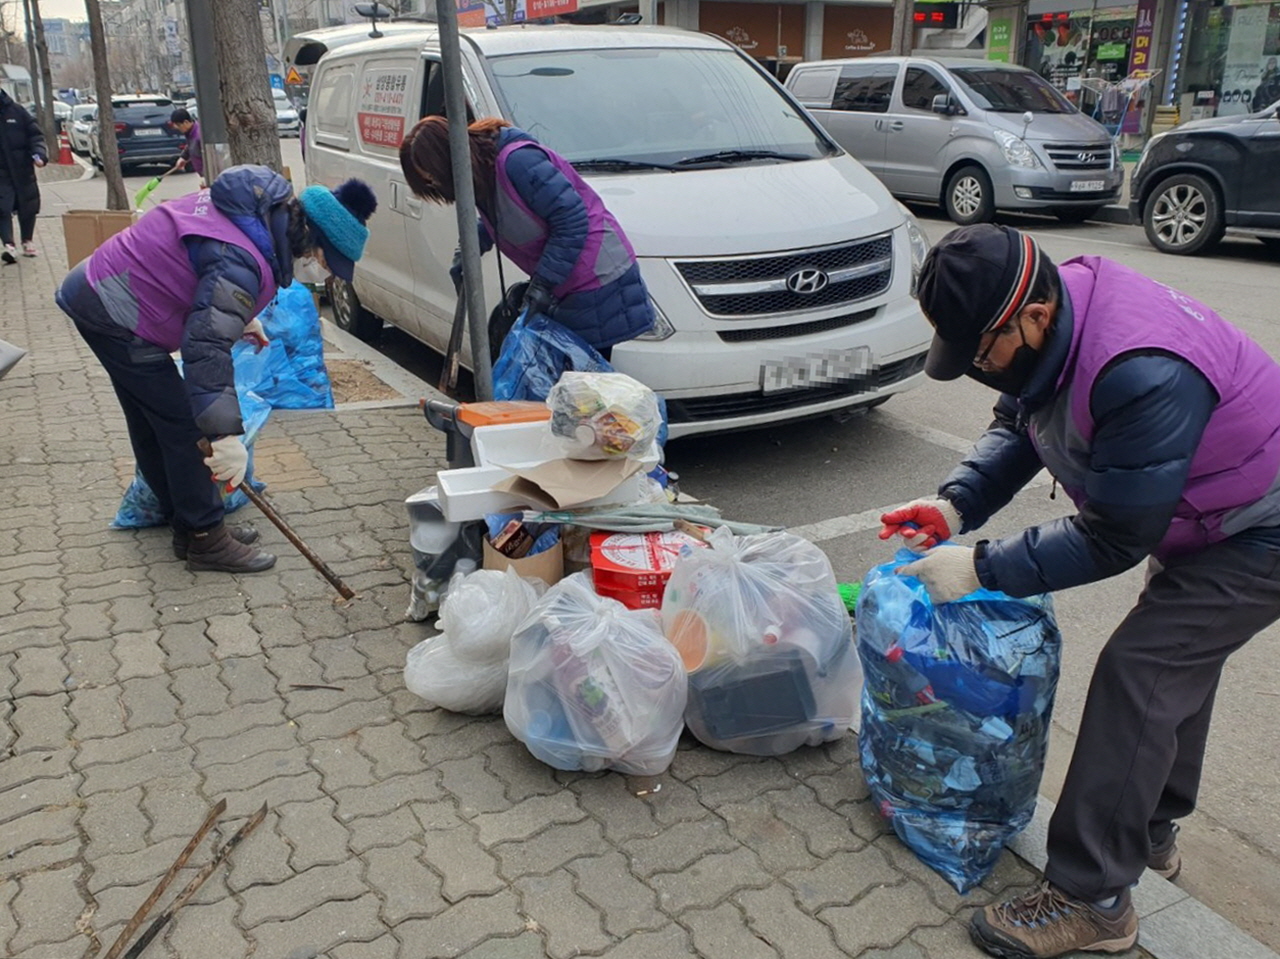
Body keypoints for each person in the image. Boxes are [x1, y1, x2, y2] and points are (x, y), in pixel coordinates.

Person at [879, 223, 1280, 959]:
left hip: (1261, 526)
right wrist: (956, 505)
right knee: (1174, 669)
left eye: (982, 353)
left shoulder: (1141, 369)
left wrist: (980, 568)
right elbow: (1022, 423)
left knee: (1143, 671)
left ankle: (1092, 898)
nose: (978, 370)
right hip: (1205, 512)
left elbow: (1113, 537)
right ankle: (1148, 830)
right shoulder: (1059, 319)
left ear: (1033, 316)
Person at [55, 165, 377, 573]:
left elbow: (206, 276)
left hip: (102, 293)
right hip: (115, 312)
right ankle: (206, 539)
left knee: (155, 421)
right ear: (311, 240)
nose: (324, 275)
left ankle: (188, 527)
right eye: (327, 263)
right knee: (185, 427)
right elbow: (205, 347)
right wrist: (224, 436)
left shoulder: (258, 216)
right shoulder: (243, 258)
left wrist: (241, 317)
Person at [398, 115, 653, 358]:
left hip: (597, 276)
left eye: (433, 180)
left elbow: (571, 219)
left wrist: (543, 284)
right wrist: (467, 250)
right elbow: (502, 214)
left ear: (447, 162)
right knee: (565, 378)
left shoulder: (518, 162)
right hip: (568, 280)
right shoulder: (484, 172)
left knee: (582, 381)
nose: (436, 187)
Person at [0, 87, 48, 263]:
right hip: (1, 172)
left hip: (23, 170)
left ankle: (27, 240)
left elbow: (35, 136)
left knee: (28, 206)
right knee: (2, 208)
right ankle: (9, 245)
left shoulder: (17, 111)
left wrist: (39, 155)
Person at [170, 107, 202, 180]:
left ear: (186, 122)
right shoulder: (190, 133)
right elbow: (190, 146)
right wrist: (183, 157)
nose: (177, 128)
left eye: (178, 125)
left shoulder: (199, 136)